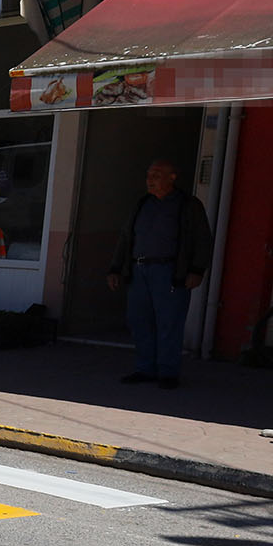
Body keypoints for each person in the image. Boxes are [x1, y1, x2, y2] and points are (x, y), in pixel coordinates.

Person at [107, 158, 212, 390]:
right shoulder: (142, 203)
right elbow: (126, 237)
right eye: (148, 175)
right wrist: (115, 268)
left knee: (169, 322)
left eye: (156, 175)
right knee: (139, 320)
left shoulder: (188, 205)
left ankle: (168, 372)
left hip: (170, 271)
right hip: (139, 269)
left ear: (172, 177)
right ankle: (145, 368)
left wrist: (196, 270)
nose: (150, 180)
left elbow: (202, 239)